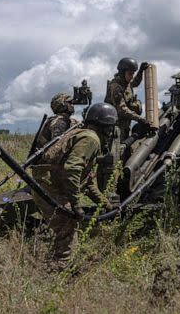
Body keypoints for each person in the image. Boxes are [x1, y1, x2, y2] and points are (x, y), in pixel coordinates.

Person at [30, 103, 117, 269]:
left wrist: (106, 205)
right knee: (67, 222)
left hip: (46, 183)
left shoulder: (84, 135)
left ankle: (60, 263)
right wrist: (76, 204)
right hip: (48, 185)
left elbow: (88, 183)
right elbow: (72, 169)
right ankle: (59, 268)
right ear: (106, 127)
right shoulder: (91, 139)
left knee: (66, 225)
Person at [104, 57, 150, 141]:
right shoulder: (116, 87)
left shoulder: (126, 83)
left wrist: (140, 71)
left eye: (133, 74)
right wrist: (139, 119)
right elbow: (122, 109)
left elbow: (135, 82)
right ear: (122, 72)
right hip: (116, 127)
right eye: (130, 74)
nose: (132, 77)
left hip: (125, 125)